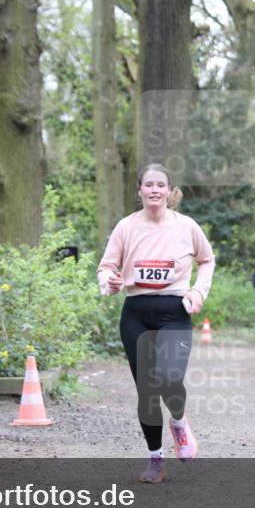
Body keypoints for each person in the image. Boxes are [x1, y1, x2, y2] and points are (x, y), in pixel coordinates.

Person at [97, 164, 215, 483]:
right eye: (148, 184)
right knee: (147, 390)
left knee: (170, 377)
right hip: (135, 313)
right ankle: (156, 461)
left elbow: (206, 260)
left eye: (160, 185)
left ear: (169, 190)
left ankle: (178, 420)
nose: (154, 190)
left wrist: (198, 291)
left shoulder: (186, 226)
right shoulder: (126, 227)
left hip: (174, 310)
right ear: (139, 189)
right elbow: (106, 268)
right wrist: (110, 282)